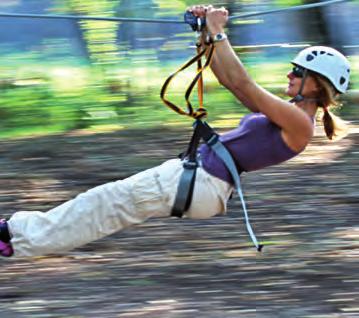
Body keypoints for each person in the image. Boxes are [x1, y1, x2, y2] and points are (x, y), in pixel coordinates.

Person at [0, 5, 350, 258]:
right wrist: (204, 34)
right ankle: (14, 233)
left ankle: (12, 237)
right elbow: (233, 83)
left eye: (297, 71)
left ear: (317, 85)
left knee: (103, 204)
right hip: (197, 179)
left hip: (202, 181)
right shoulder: (291, 116)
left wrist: (218, 31)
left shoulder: (300, 124)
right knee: (104, 203)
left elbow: (245, 81)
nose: (289, 75)